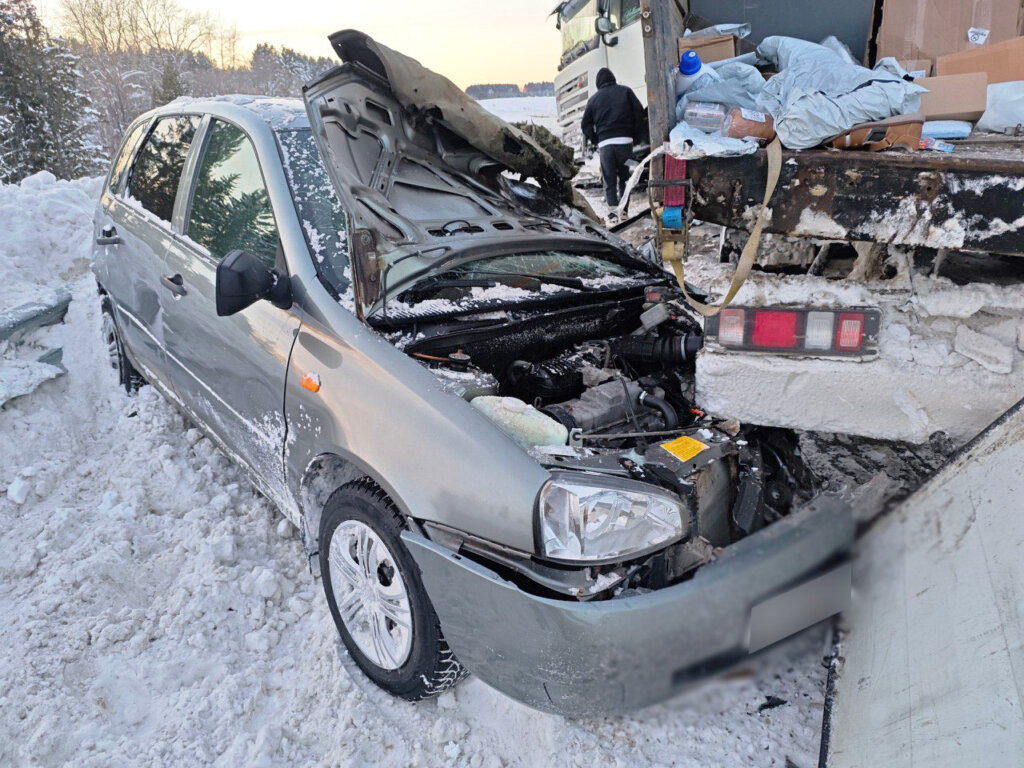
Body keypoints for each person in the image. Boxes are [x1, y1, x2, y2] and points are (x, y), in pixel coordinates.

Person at [580, 67, 645, 222]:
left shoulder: (594, 99)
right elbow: (640, 113)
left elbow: (585, 125)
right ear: (613, 79)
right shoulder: (626, 92)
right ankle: (623, 212)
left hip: (606, 146)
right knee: (625, 178)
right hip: (625, 144)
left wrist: (596, 140)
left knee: (609, 180)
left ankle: (613, 215)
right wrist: (635, 135)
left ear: (598, 83)